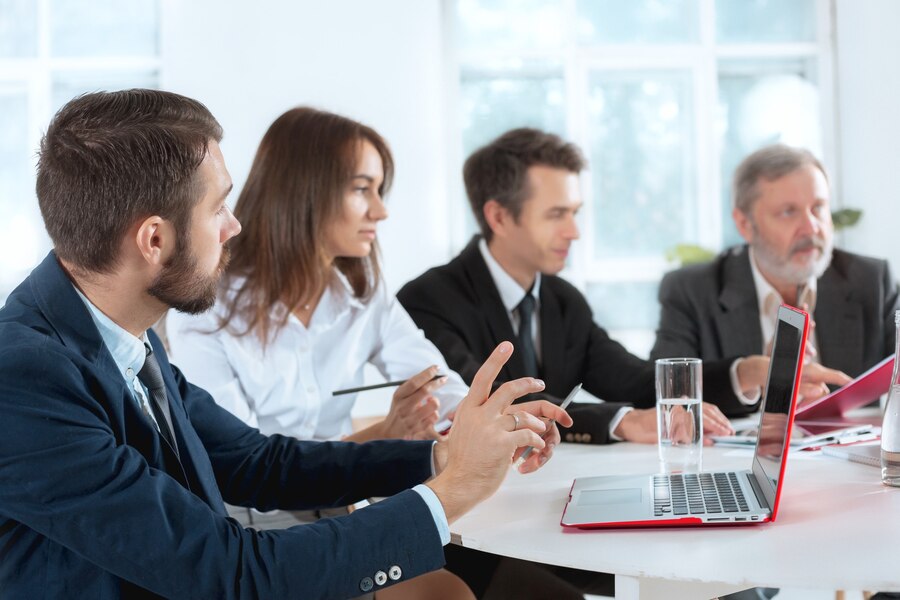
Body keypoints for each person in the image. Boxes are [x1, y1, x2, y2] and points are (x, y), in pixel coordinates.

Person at [0, 89, 570, 599]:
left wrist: (439, 456)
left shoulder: (120, 333)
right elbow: (231, 574)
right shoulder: (22, 378)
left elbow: (258, 462)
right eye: (217, 208)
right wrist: (453, 492)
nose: (234, 227)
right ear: (154, 239)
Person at [397, 127, 738, 599]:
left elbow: (635, 378)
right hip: (478, 533)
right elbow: (494, 406)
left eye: (574, 213)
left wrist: (742, 374)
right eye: (557, 214)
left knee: (707, 568)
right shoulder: (428, 300)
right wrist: (620, 421)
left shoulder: (562, 299)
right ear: (498, 215)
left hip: (550, 506)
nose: (575, 231)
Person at [166, 107, 468, 448]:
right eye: (361, 189)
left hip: (346, 495)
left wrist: (497, 420)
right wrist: (381, 435)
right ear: (303, 191)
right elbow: (245, 465)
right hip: (247, 502)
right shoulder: (207, 308)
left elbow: (438, 386)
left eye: (379, 190)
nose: (380, 211)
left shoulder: (363, 293)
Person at [650, 144, 895, 411]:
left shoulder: (870, 280)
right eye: (788, 212)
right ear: (745, 225)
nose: (811, 227)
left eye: (818, 208)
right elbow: (667, 395)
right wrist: (755, 378)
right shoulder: (692, 291)